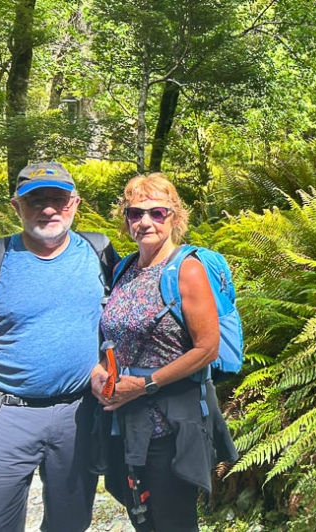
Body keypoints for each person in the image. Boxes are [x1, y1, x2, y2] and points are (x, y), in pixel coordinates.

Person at [91, 173, 238, 532]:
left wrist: (145, 386)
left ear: (175, 217)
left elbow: (207, 348)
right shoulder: (123, 269)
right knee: (142, 518)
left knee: (174, 521)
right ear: (125, 220)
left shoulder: (187, 270)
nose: (145, 222)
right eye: (135, 213)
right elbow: (110, 336)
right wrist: (98, 373)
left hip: (171, 424)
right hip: (126, 422)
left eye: (157, 212)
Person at [0, 162, 118, 532]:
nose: (48, 209)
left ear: (75, 204)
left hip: (79, 416)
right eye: (36, 200)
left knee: (70, 521)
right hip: (6, 415)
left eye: (58, 199)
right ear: (16, 206)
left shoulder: (100, 252)